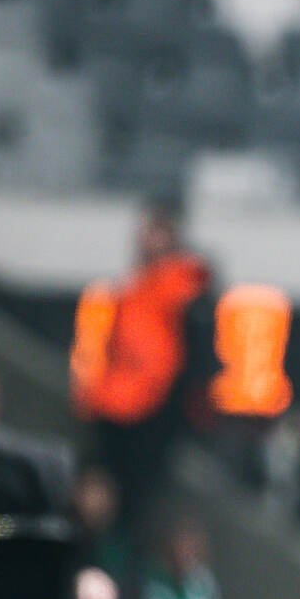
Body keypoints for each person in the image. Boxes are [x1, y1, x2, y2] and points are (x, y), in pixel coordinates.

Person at [69, 201, 216, 537]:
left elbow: (192, 359)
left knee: (131, 504)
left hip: (152, 409)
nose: (146, 239)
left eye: (155, 231)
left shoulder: (182, 288)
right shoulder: (139, 286)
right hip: (120, 402)